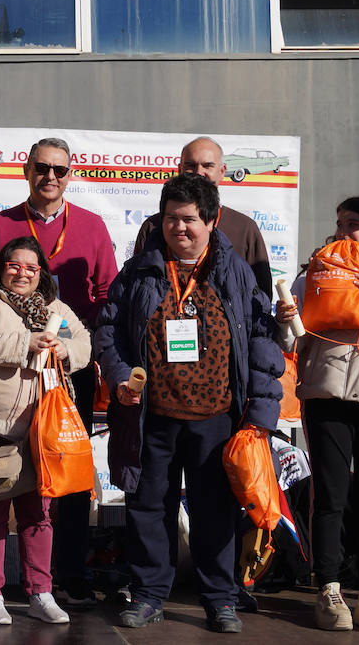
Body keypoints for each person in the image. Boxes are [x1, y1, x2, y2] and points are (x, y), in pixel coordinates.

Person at [94, 173, 282, 634]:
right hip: (151, 416)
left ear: (211, 221)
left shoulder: (234, 272)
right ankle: (148, 595)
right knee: (148, 510)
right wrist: (120, 377)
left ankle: (220, 600)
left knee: (215, 513)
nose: (181, 228)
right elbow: (108, 332)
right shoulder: (139, 271)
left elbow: (261, 339)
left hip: (216, 418)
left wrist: (259, 414)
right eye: (172, 219)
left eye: (191, 220)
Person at [0, 137, 116, 608]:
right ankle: (3, 587)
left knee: (67, 474)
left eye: (59, 169)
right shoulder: (1, 224)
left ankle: (67, 578)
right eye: (41, 168)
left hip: (67, 371)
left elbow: (106, 296)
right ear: (27, 171)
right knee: (5, 482)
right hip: (12, 379)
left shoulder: (92, 226)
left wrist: (72, 346)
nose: (50, 177)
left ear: (70, 174)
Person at [274, 196, 359, 632]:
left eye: (353, 223)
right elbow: (291, 342)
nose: (343, 230)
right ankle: (328, 589)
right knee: (330, 497)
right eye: (339, 222)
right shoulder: (316, 271)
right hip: (326, 393)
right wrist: (284, 320)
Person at [0, 235, 91, 625]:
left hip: (43, 427)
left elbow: (84, 342)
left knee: (39, 514)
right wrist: (26, 343)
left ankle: (40, 593)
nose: (23, 274)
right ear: (1, 266)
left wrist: (67, 350)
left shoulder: (55, 307)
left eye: (32, 268)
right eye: (15, 265)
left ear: (41, 274)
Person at [134, 136, 272, 301]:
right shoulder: (153, 227)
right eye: (190, 165)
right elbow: (135, 288)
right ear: (179, 170)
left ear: (222, 172)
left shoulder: (244, 228)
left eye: (207, 166)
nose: (198, 172)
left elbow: (261, 297)